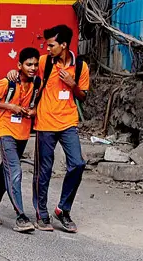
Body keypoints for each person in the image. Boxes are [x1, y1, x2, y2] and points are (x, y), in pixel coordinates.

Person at [10, 24, 89, 232]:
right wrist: (13, 72)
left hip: (68, 122)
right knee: (43, 170)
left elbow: (83, 96)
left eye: (51, 45)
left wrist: (73, 84)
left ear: (63, 45)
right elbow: (26, 73)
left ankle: (63, 209)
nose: (47, 48)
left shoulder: (80, 67)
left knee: (78, 164)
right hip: (45, 123)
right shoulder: (45, 63)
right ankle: (41, 214)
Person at [0, 47, 40, 233]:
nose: (32, 68)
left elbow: (37, 106)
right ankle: (21, 216)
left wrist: (32, 112)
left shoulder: (36, 83)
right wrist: (9, 106)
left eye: (35, 64)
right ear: (19, 65)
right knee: (15, 171)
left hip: (22, 132)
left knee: (4, 170)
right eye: (29, 64)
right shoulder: (8, 82)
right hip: (5, 130)